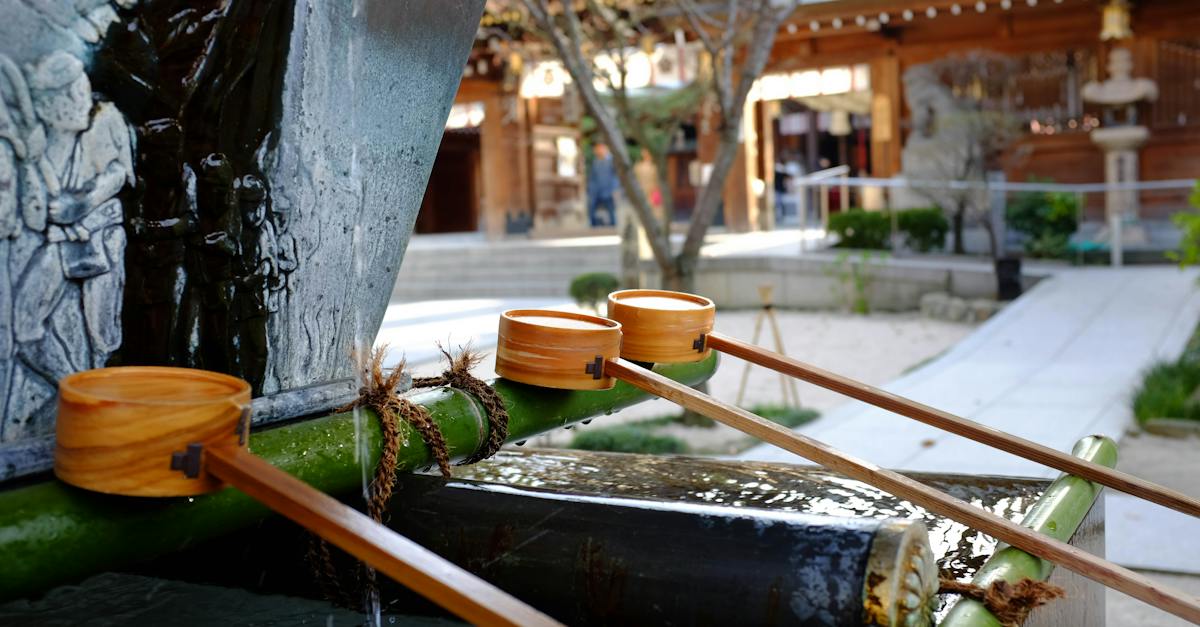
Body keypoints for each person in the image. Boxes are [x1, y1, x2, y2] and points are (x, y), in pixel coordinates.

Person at [587, 142, 617, 227]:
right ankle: (594, 226)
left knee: (611, 210)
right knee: (592, 208)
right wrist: (591, 189)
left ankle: (613, 226)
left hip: (608, 190)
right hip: (596, 191)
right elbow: (592, 177)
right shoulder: (596, 162)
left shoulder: (611, 161)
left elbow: (615, 176)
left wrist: (614, 189)